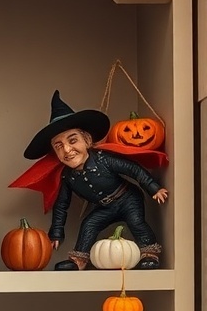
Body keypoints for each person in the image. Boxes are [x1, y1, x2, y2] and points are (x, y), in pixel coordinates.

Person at [13, 91, 168, 270]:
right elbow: (62, 205)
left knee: (136, 222)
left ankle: (150, 254)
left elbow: (133, 169)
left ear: (87, 140)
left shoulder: (104, 159)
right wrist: (56, 232)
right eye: (59, 146)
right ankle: (78, 260)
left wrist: (154, 188)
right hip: (104, 207)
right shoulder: (67, 177)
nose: (67, 149)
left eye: (73, 141)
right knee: (89, 224)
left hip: (127, 198)